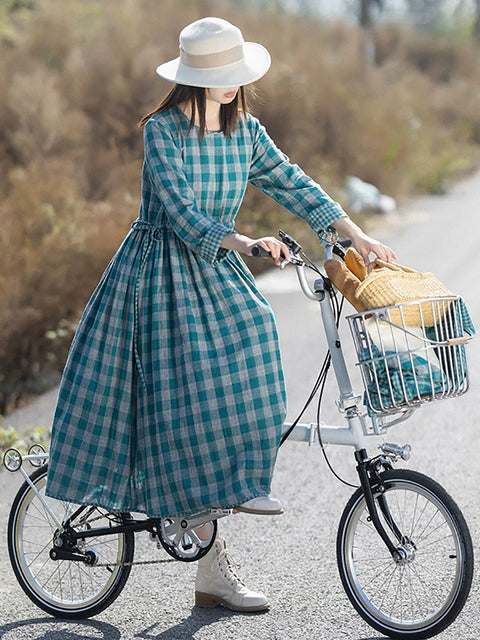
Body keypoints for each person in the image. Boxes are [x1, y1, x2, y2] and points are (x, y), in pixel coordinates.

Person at [46, 17, 396, 613]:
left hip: (214, 271)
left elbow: (295, 184)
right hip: (156, 273)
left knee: (257, 336)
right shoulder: (163, 132)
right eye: (220, 77)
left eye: (236, 75)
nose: (232, 86)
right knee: (189, 397)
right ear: (193, 79)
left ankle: (235, 502)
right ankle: (215, 548)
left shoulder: (244, 131)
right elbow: (180, 212)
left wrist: (355, 233)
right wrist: (246, 244)